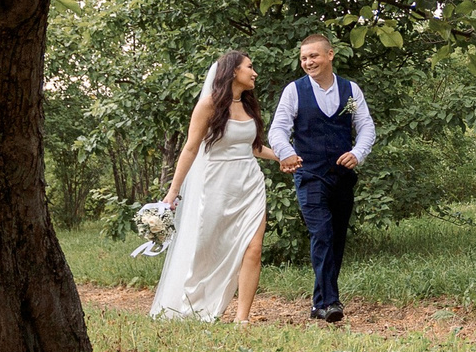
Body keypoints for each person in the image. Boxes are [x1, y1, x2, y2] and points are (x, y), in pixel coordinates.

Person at [149, 50, 280, 323]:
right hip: (217, 183)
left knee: (254, 248)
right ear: (233, 71)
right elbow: (190, 149)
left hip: (250, 184)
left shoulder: (248, 106)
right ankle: (194, 304)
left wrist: (284, 157)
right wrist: (173, 193)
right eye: (250, 67)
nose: (254, 73)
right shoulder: (208, 105)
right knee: (207, 248)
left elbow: (253, 147)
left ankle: (242, 318)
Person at [269, 32, 374, 323]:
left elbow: (363, 125)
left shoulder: (349, 92)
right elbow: (278, 129)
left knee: (337, 238)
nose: (308, 62)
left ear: (330, 55)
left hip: (342, 176)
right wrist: (286, 152)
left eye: (313, 56)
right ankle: (330, 302)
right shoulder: (295, 91)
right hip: (310, 174)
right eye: (303, 58)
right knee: (322, 234)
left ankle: (318, 304)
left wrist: (358, 152)